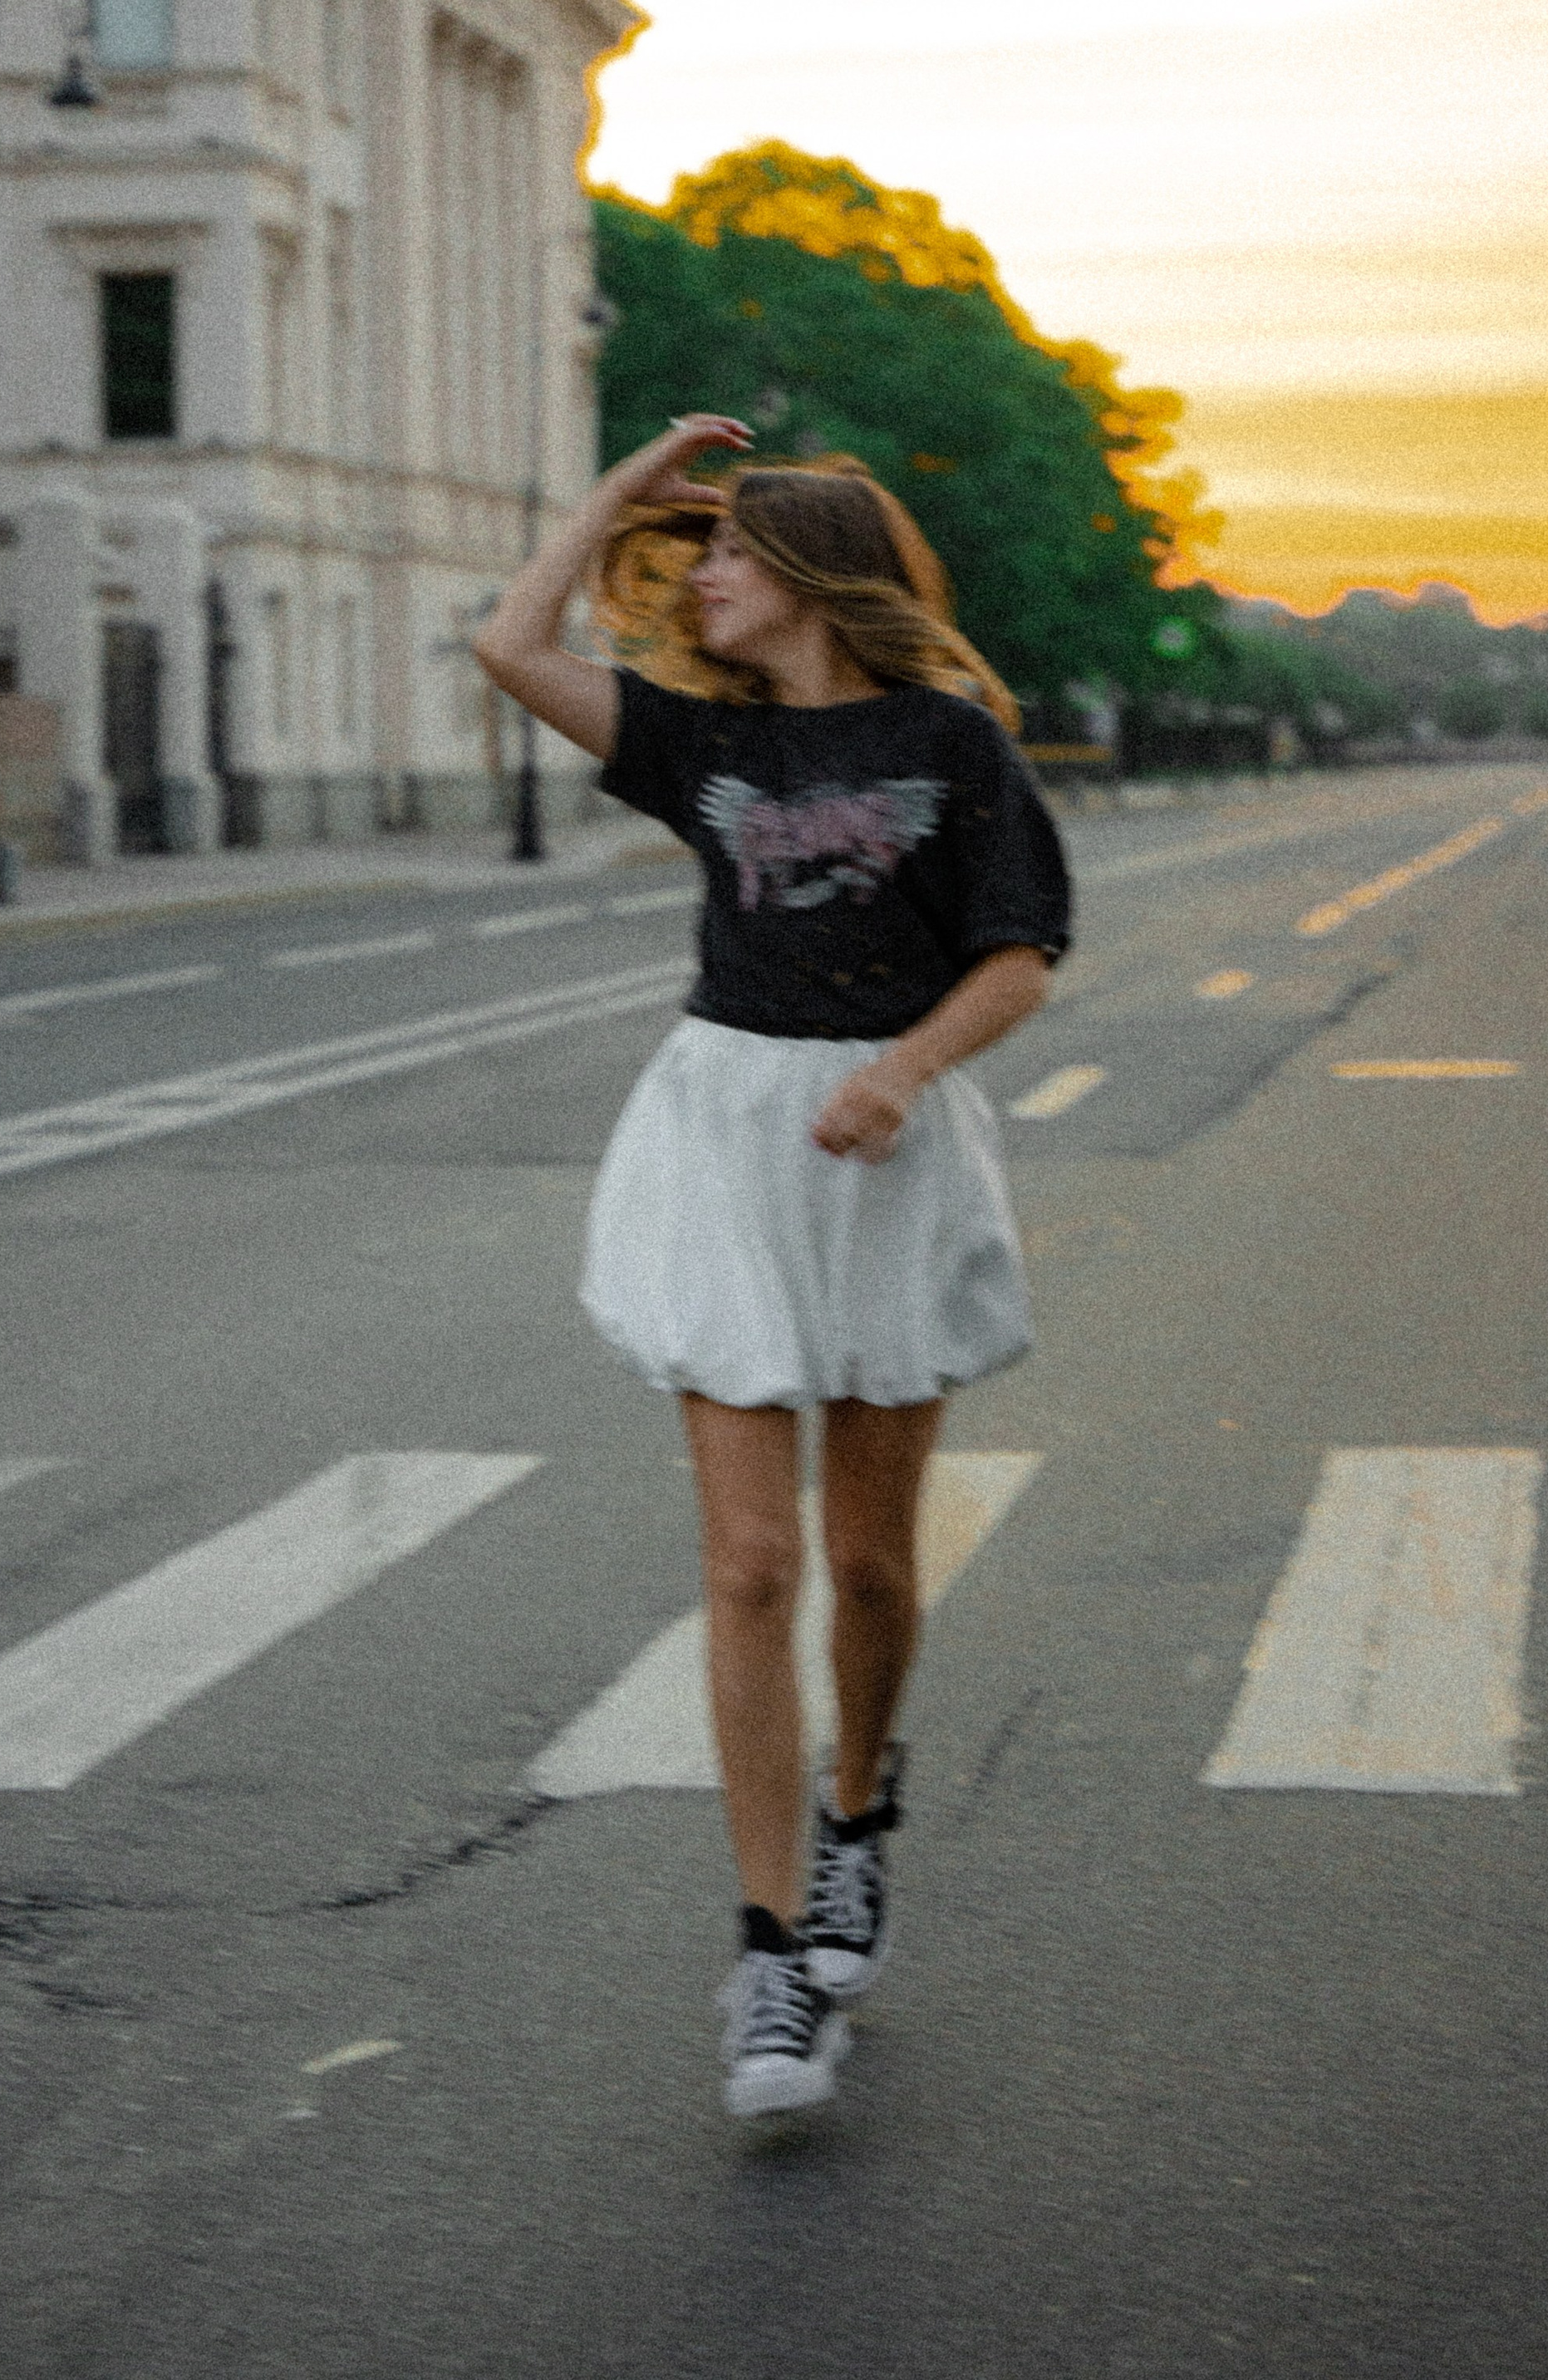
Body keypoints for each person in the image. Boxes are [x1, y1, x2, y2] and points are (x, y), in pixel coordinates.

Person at [474, 416, 1070, 2119]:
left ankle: (858, 1820)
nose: (697, 577)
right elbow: (510, 644)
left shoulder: (947, 745)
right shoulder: (692, 743)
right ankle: (765, 1955)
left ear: (808, 575)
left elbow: (1019, 955)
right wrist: (620, 489)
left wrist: (897, 1072)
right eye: (691, 552)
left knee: (868, 1566)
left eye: (726, 553)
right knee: (747, 1563)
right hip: (723, 1139)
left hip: (884, 1149)